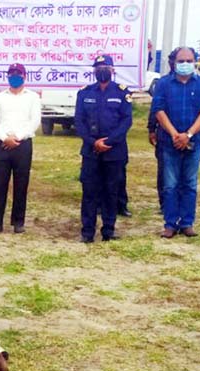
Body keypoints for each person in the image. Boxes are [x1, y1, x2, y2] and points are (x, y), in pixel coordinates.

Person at [152, 47, 200, 238]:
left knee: (190, 184)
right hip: (169, 142)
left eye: (189, 60)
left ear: (195, 62)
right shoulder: (163, 84)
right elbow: (159, 111)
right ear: (174, 62)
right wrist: (175, 135)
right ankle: (170, 224)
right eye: (181, 61)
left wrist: (188, 134)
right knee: (170, 185)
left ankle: (187, 223)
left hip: (194, 142)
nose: (185, 64)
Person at [75, 55, 133, 243]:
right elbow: (79, 121)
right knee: (89, 191)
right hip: (91, 151)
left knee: (111, 191)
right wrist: (93, 142)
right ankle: (87, 231)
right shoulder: (84, 93)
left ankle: (109, 229)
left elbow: (126, 121)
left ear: (112, 69)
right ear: (93, 70)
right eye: (98, 66)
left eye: (105, 66)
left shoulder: (123, 93)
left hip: (114, 151)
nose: (102, 69)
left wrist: (109, 141)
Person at [0, 63, 41, 234]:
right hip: (2, 144)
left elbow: (34, 121)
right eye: (11, 73)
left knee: (21, 184)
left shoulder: (33, 97)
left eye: (18, 73)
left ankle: (18, 222)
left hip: (23, 145)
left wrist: (17, 137)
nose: (15, 76)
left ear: (24, 76)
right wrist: (5, 138)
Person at [147, 49, 177, 213]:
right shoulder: (163, 83)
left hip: (188, 134)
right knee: (164, 170)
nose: (179, 64)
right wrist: (151, 129)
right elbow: (155, 108)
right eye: (175, 61)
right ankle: (164, 204)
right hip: (164, 133)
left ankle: (180, 203)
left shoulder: (198, 83)